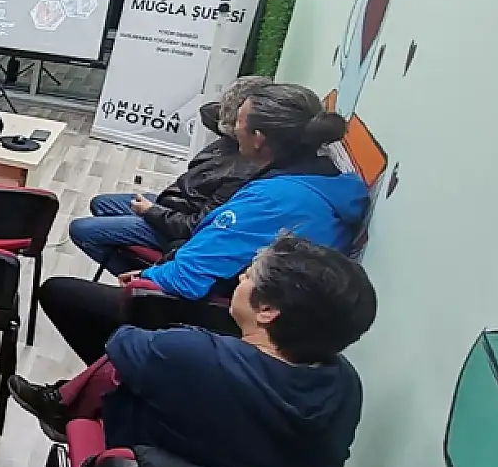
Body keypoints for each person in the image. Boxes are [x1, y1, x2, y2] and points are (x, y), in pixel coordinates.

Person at [38, 83, 367, 365]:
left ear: (258, 138)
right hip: (271, 313)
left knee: (59, 292)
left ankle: (121, 377)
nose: (231, 128)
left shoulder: (274, 199)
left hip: (230, 317)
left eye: (239, 121)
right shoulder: (329, 182)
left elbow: (186, 280)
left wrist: (146, 278)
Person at [10, 235, 375, 467]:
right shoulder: (345, 384)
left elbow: (124, 342)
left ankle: (62, 406)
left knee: (120, 372)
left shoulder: (193, 355)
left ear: (267, 310)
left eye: (249, 275)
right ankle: (60, 403)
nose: (241, 277)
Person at [72, 75, 270, 274]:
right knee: (101, 204)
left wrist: (151, 212)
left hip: (177, 228)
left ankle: (143, 282)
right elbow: (209, 112)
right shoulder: (233, 140)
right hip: (174, 205)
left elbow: (197, 227)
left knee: (82, 230)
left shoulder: (243, 172)